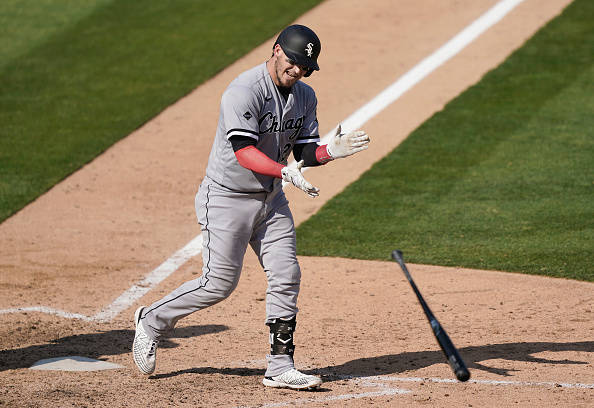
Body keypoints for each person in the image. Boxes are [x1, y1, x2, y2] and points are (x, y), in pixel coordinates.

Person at [132, 24, 370, 390]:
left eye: (304, 68)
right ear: (277, 51)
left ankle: (279, 366)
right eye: (292, 63)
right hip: (227, 200)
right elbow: (244, 152)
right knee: (218, 285)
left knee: (286, 275)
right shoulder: (244, 91)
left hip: (271, 202)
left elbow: (304, 150)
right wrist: (286, 172)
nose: (296, 72)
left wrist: (328, 152)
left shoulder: (305, 96)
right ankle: (151, 320)